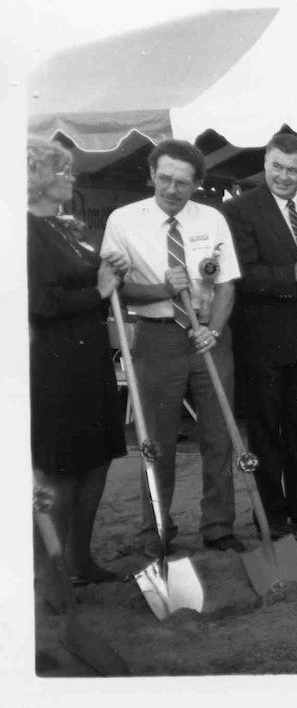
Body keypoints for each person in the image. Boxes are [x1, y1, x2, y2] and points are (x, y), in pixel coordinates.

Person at [102, 139, 244, 554]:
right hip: (156, 337)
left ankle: (219, 527)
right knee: (156, 440)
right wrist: (162, 288)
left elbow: (226, 283)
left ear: (196, 183)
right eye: (164, 178)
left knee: (219, 437)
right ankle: (157, 530)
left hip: (208, 337)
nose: (171, 188)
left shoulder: (212, 218)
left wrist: (213, 331)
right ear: (151, 174)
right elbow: (116, 290)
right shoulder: (123, 221)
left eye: (182, 182)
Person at [221, 132, 297, 539]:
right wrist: (291, 273)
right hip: (263, 341)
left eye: (293, 169)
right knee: (266, 430)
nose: (283, 176)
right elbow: (240, 273)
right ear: (265, 162)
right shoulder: (239, 210)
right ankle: (270, 513)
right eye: (276, 167)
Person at [27, 138, 129, 585]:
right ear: (37, 177)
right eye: (63, 171)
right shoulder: (22, 230)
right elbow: (38, 302)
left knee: (97, 460)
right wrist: (99, 290)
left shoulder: (64, 227)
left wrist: (108, 268)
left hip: (87, 359)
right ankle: (49, 577)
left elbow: (84, 279)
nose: (71, 178)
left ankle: (78, 561)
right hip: (56, 364)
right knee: (64, 469)